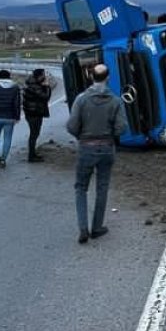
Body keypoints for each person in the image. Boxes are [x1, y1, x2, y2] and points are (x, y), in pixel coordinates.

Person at [66, 64, 128, 244]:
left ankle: (83, 228)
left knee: (81, 188)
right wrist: (109, 136)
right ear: (108, 78)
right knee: (102, 187)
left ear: (90, 76)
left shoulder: (81, 99)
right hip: (107, 147)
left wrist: (82, 136)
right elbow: (121, 127)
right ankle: (97, 226)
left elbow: (71, 126)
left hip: (87, 147)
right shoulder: (116, 101)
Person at [0, 69, 22, 168]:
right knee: (7, 138)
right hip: (10, 117)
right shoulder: (15, 88)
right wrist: (17, 116)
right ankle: (3, 159)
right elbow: (17, 104)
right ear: (9, 77)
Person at [22, 69, 55, 163]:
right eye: (43, 75)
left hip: (31, 112)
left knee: (34, 133)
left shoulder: (31, 84)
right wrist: (47, 86)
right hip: (34, 112)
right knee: (34, 134)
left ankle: (32, 154)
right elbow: (45, 97)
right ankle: (31, 156)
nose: (44, 77)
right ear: (39, 76)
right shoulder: (35, 86)